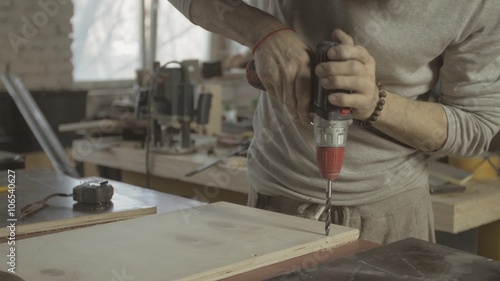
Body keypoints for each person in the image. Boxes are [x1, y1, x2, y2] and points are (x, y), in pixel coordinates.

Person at [168, 0, 500, 244]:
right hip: (277, 202)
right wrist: (262, 30)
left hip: (394, 216)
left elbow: (481, 125)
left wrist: (374, 103)